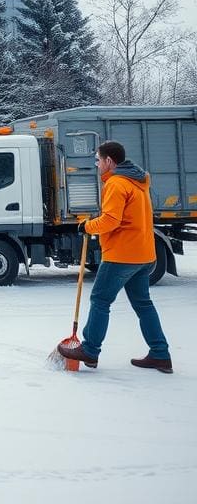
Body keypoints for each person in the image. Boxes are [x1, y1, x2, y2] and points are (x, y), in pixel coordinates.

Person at [58, 140, 173, 373]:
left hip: (122, 254)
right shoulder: (137, 183)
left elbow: (111, 221)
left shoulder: (116, 184)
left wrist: (86, 226)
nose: (97, 165)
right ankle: (160, 354)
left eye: (98, 160)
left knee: (100, 300)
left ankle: (89, 351)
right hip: (143, 254)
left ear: (109, 161)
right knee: (143, 304)